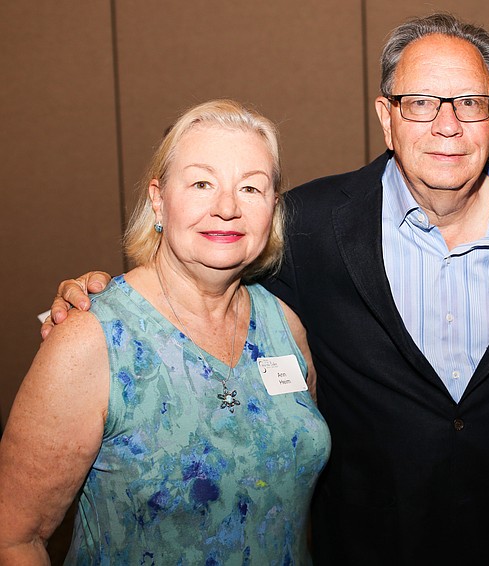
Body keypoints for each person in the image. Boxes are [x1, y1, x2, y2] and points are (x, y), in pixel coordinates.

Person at [42, 13, 489, 564]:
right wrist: (99, 295)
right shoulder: (311, 226)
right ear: (386, 117)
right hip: (366, 546)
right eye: (420, 104)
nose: (448, 125)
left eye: (470, 103)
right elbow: (202, 265)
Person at [0, 99, 331, 564]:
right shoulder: (93, 340)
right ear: (158, 199)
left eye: (252, 189)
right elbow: (14, 538)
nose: (227, 208)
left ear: (272, 207)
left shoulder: (285, 325)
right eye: (201, 183)